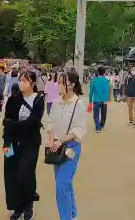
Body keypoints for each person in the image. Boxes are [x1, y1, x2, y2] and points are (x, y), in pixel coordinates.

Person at [3, 72, 45, 220]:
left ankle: (29, 205)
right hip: (13, 143)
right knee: (13, 176)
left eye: (24, 81)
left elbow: (32, 123)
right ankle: (18, 207)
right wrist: (6, 142)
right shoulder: (13, 99)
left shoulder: (38, 99)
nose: (21, 83)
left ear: (32, 83)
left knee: (25, 174)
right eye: (20, 80)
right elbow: (6, 123)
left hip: (30, 143)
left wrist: (13, 124)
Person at [47, 72, 87, 220]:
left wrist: (61, 140)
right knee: (65, 184)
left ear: (71, 85)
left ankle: (65, 217)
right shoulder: (56, 102)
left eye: (62, 83)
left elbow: (79, 128)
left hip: (71, 148)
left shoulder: (78, 103)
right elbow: (50, 122)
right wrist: (52, 139)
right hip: (56, 148)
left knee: (61, 185)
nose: (59, 85)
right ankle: (72, 213)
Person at [89, 66, 110, 133]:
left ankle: (98, 127)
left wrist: (90, 101)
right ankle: (101, 125)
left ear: (98, 72)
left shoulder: (94, 80)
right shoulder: (106, 80)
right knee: (104, 114)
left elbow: (91, 92)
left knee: (96, 115)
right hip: (103, 100)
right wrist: (106, 100)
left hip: (96, 100)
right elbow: (106, 91)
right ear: (104, 73)